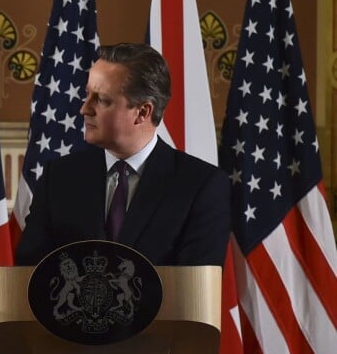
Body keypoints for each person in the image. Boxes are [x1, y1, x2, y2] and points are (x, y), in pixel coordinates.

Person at [16, 43, 231, 267]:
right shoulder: (59, 177)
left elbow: (195, 289)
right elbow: (31, 270)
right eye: (87, 94)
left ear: (143, 112)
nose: (84, 109)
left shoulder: (201, 185)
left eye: (101, 100)